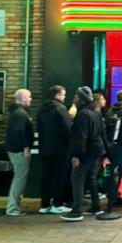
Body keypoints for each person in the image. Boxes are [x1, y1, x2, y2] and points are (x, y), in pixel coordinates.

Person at [60, 86, 109, 222]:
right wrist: (106, 152)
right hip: (97, 150)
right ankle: (96, 206)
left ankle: (76, 210)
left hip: (87, 151)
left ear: (81, 99)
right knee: (91, 177)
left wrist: (76, 155)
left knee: (77, 178)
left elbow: (80, 137)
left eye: (76, 96)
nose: (74, 98)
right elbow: (102, 132)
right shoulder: (96, 112)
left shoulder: (82, 114)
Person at [37, 85, 72, 214]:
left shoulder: (42, 109)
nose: (64, 97)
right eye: (63, 94)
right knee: (59, 176)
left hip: (45, 148)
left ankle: (44, 204)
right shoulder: (60, 108)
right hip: (60, 149)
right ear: (57, 95)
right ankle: (57, 204)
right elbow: (66, 129)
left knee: (46, 176)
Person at [4, 88, 34, 216]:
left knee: (19, 177)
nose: (31, 99)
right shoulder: (21, 114)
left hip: (14, 149)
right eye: (29, 97)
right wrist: (25, 146)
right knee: (20, 178)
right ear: (22, 98)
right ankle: (12, 208)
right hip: (19, 151)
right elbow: (19, 132)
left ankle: (16, 205)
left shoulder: (15, 112)